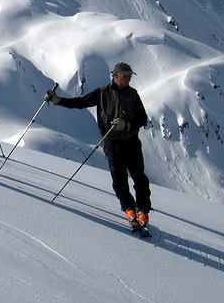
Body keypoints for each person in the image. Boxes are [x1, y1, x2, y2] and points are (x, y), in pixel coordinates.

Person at [44, 62, 151, 226]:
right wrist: (58, 101)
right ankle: (129, 208)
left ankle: (143, 209)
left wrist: (127, 125)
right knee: (119, 179)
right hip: (112, 142)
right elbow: (80, 102)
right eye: (125, 76)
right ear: (115, 76)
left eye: (130, 76)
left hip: (131, 142)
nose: (128, 79)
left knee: (139, 178)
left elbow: (142, 119)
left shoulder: (133, 94)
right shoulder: (102, 93)